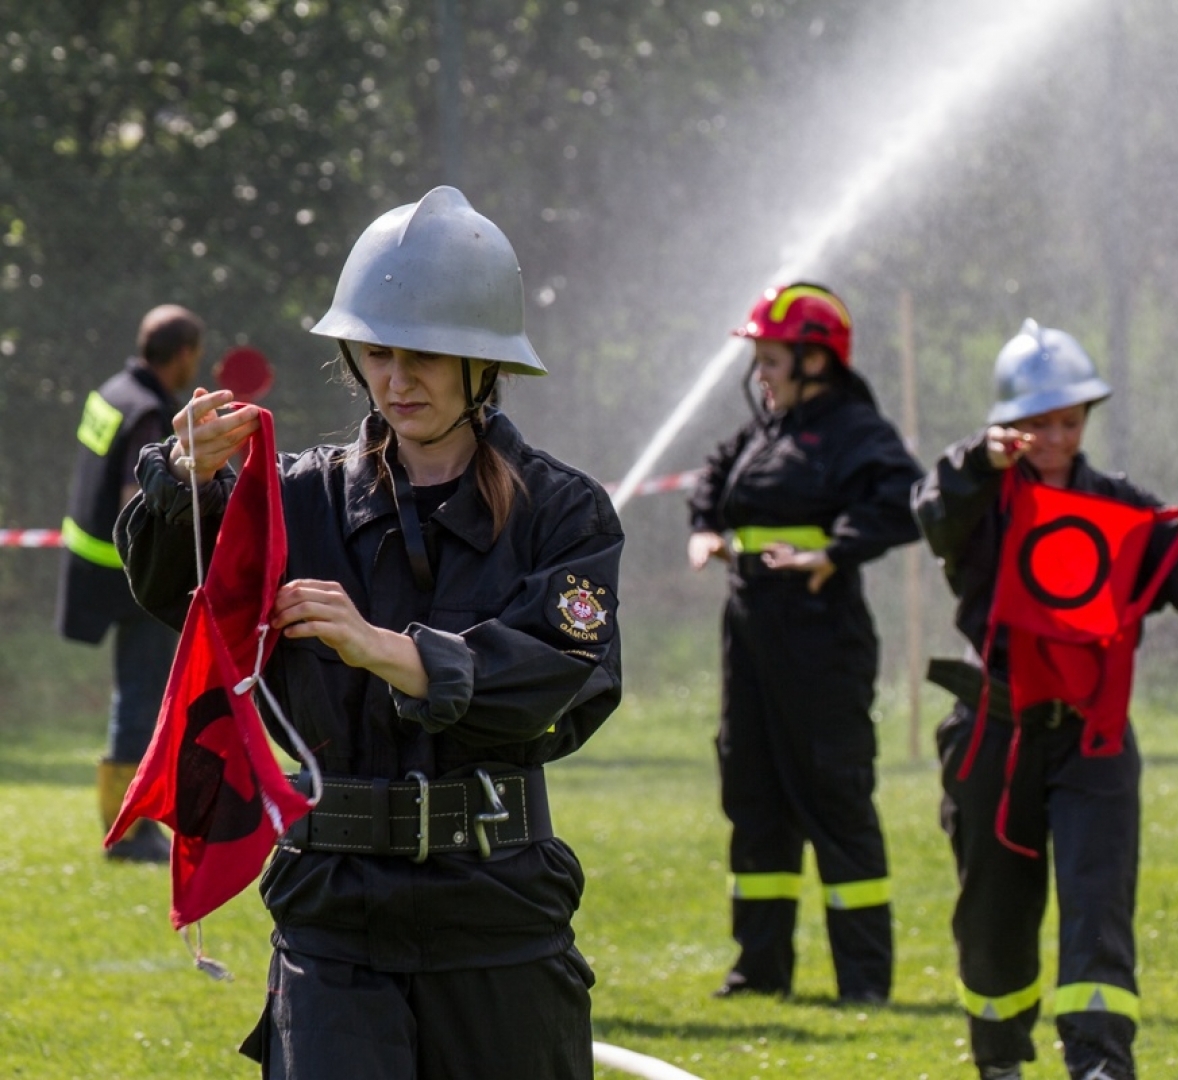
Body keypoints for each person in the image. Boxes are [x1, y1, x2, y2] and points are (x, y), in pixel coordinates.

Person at [114, 186, 621, 1079]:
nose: (396, 380)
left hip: (499, 911)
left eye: (424, 355)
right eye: (378, 352)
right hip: (332, 921)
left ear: (483, 363)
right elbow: (179, 592)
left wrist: (395, 651)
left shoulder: (564, 510)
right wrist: (180, 483)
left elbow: (569, 681)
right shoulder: (295, 498)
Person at [912, 319, 1178, 1080]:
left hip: (1092, 739)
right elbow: (933, 513)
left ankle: (1100, 1063)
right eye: (1037, 425)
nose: (1055, 439)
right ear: (1007, 426)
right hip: (994, 732)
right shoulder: (978, 498)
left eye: (1069, 422)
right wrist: (979, 461)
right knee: (993, 913)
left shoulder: (1120, 505)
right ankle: (1000, 1059)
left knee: (1098, 906)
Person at [687, 282, 923, 1004]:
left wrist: (836, 551)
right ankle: (759, 971)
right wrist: (705, 528)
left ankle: (864, 982)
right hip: (750, 629)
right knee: (753, 789)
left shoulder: (854, 430)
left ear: (815, 360)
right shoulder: (768, 431)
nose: (761, 373)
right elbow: (713, 475)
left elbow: (906, 499)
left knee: (833, 790)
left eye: (772, 358)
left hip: (820, 635)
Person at [58, 304, 203, 863]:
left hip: (94, 567)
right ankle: (131, 832)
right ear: (183, 354)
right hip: (134, 576)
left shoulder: (112, 393)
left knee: (133, 698)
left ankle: (124, 826)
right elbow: (135, 501)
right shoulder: (148, 411)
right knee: (142, 701)